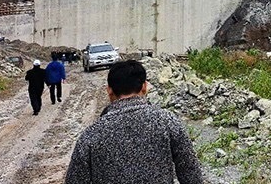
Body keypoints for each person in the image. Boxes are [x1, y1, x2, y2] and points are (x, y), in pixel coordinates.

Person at [65, 59, 203, 184]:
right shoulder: (168, 121)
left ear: (109, 91)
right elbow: (191, 173)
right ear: (144, 87)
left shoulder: (91, 135)